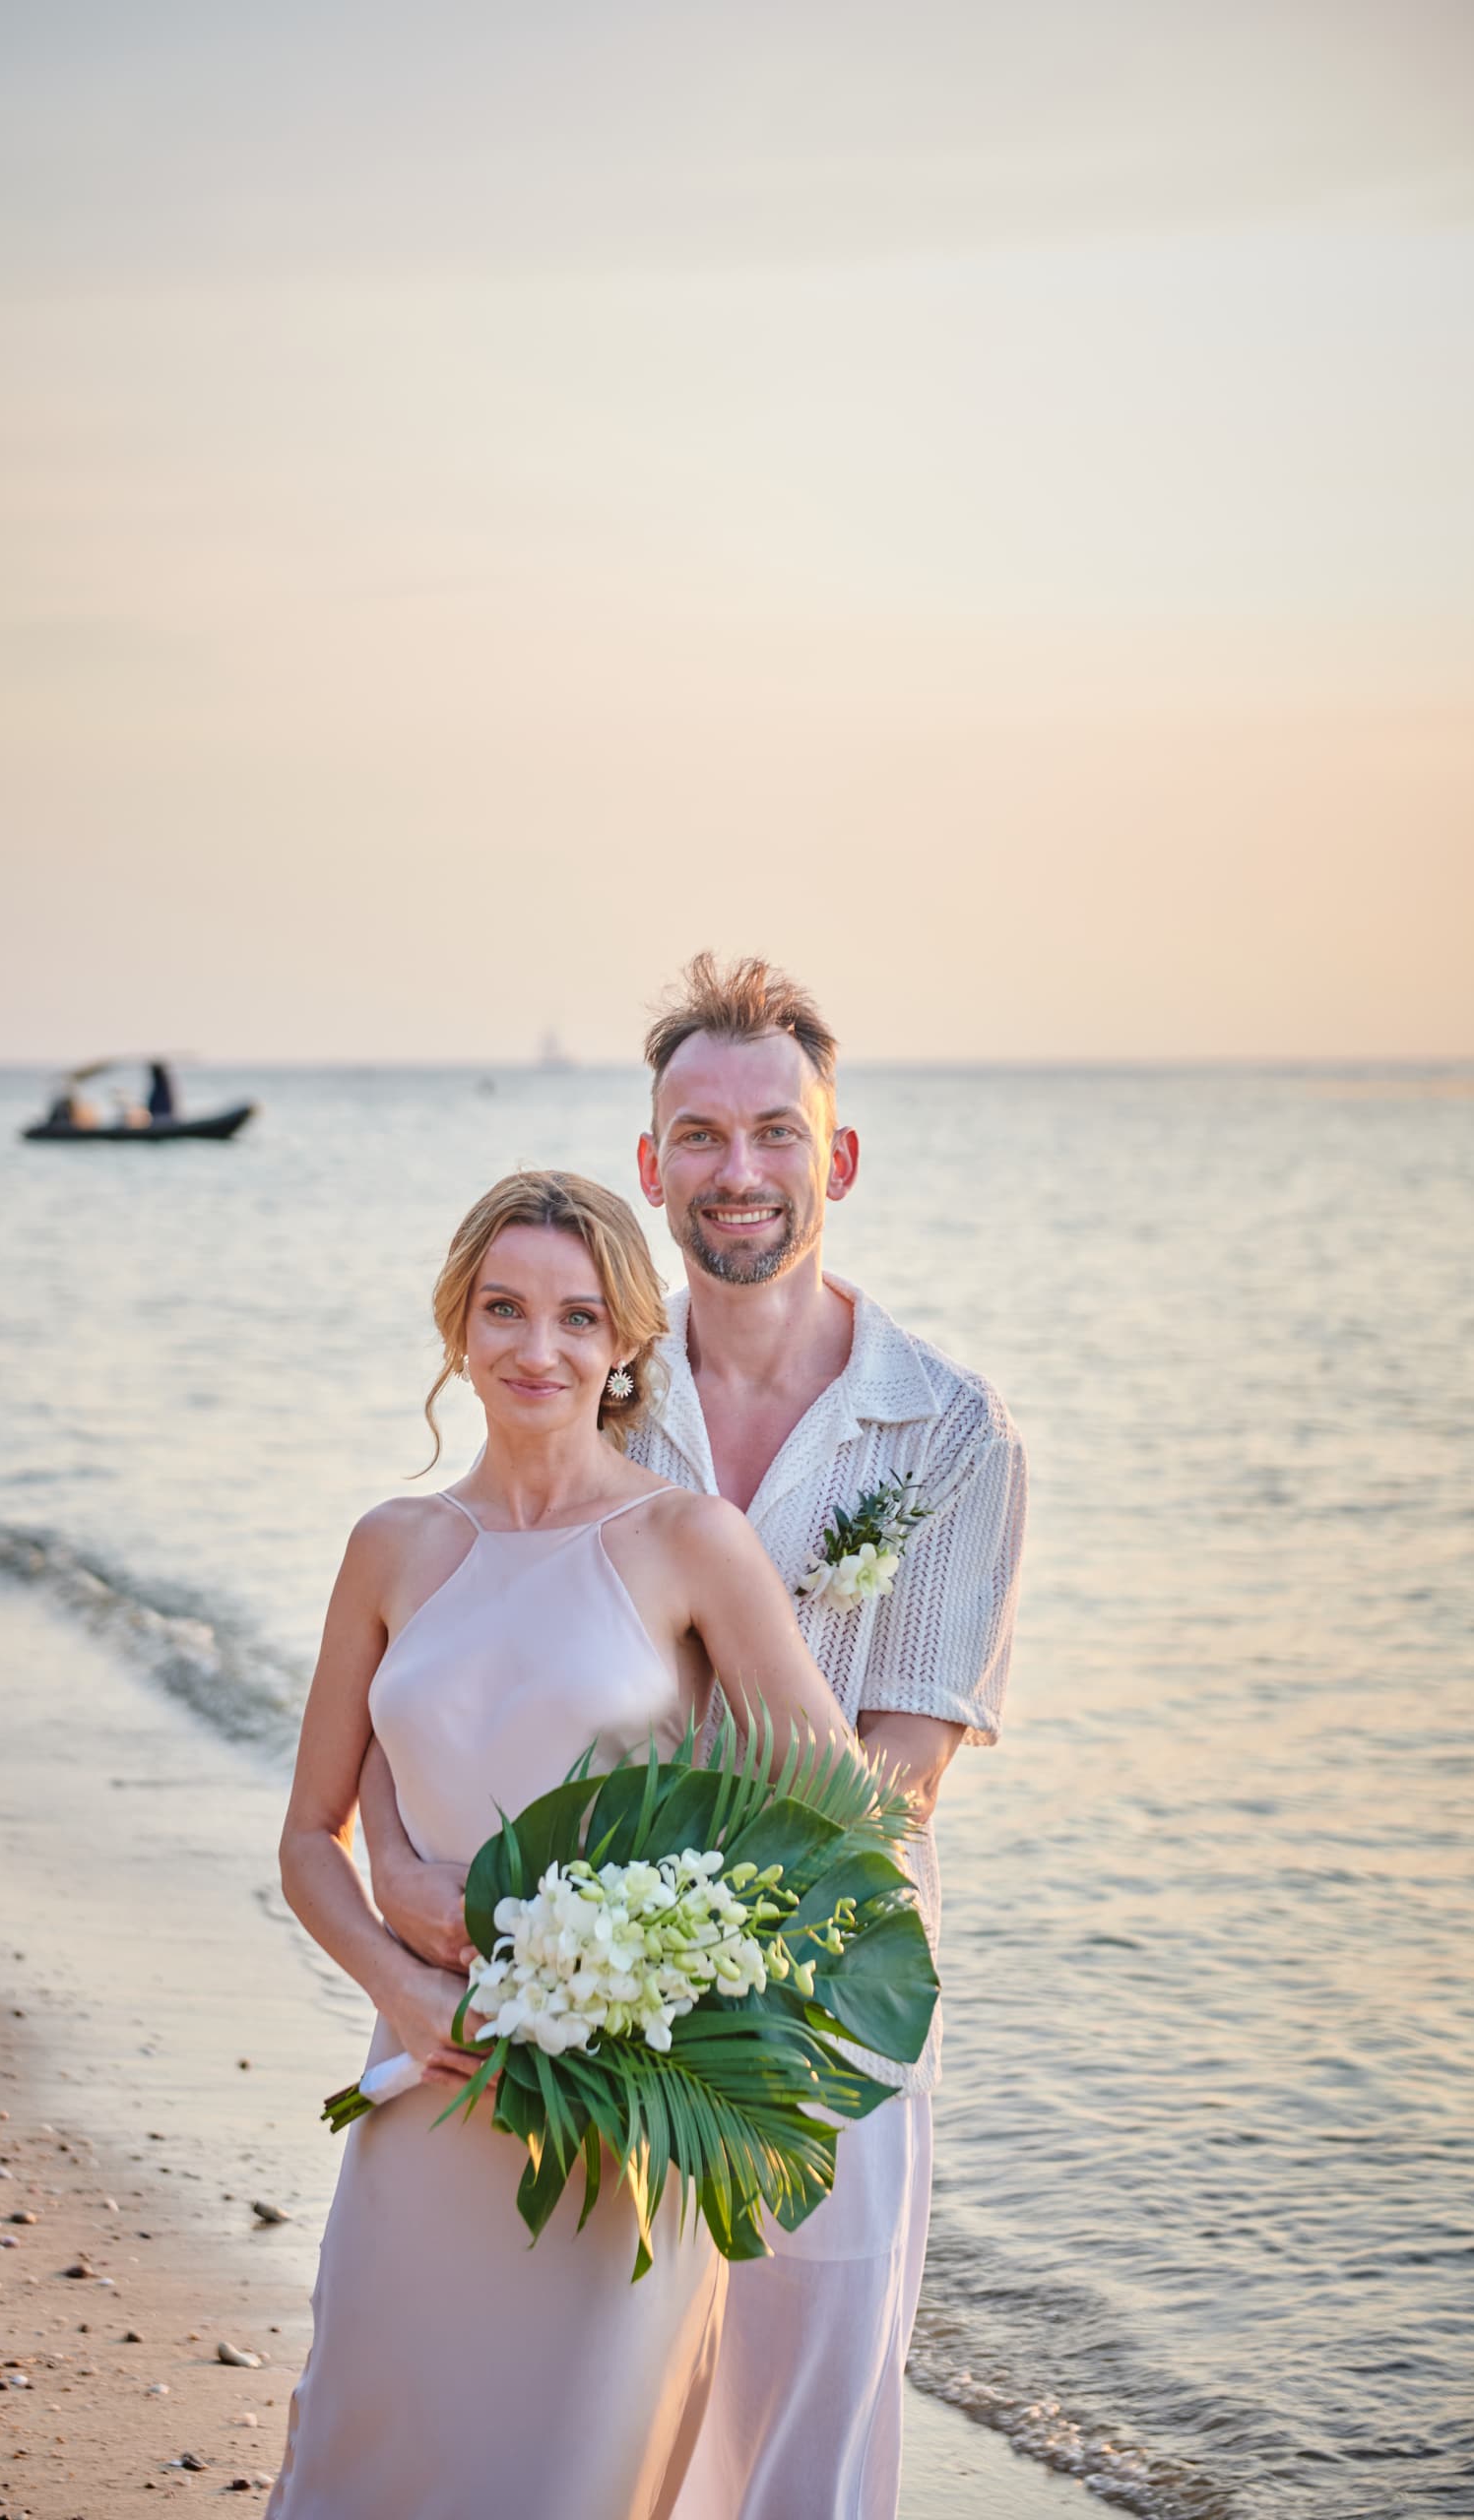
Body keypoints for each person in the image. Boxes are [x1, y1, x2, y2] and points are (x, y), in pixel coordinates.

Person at [363, 956, 1026, 2520]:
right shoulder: (586, 1367)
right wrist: (397, 1866)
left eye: (777, 1131)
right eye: (702, 1136)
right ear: (650, 1165)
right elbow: (446, 1636)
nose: (741, 1170)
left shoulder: (951, 1430)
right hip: (556, 1987)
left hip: (824, 1999)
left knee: (804, 2426)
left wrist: (673, 1931)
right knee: (569, 2414)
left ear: (836, 1159)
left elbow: (900, 1776)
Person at [266, 1168, 873, 2520]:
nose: (537, 1349)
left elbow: (839, 1819)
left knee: (568, 2481)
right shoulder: (392, 1546)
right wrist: (402, 1988)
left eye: (578, 1317)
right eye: (503, 1309)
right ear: (457, 1326)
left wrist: (664, 1965)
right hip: (426, 2087)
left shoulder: (689, 1541)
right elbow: (309, 1839)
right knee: (378, 2461)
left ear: (627, 1342)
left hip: (618, 2122)